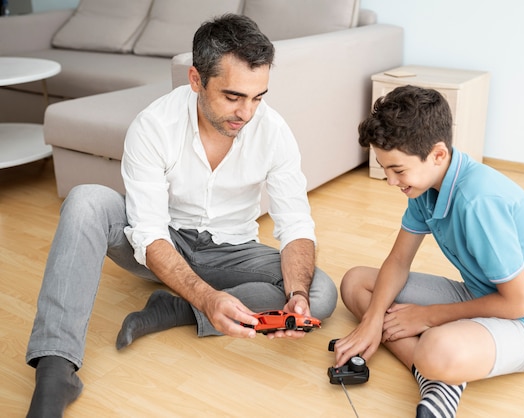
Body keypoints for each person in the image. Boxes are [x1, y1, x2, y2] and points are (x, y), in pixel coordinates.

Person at [25, 14, 337, 417]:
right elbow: (151, 234)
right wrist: (208, 296)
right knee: (85, 200)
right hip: (163, 245)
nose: (247, 113)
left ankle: (175, 309)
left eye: (258, 97)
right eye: (233, 96)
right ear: (195, 79)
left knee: (320, 293)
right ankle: (56, 369)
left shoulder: (273, 132)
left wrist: (296, 296)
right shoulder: (154, 126)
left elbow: (296, 224)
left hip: (232, 251)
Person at [332, 85, 524, 417]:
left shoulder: (478, 202)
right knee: (356, 283)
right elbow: (398, 260)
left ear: (438, 154)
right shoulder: (425, 187)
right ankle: (437, 382)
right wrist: (371, 322)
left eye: (397, 170)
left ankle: (437, 371)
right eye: (385, 169)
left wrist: (427, 317)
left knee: (435, 349)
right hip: (480, 295)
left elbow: (518, 303)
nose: (390, 181)